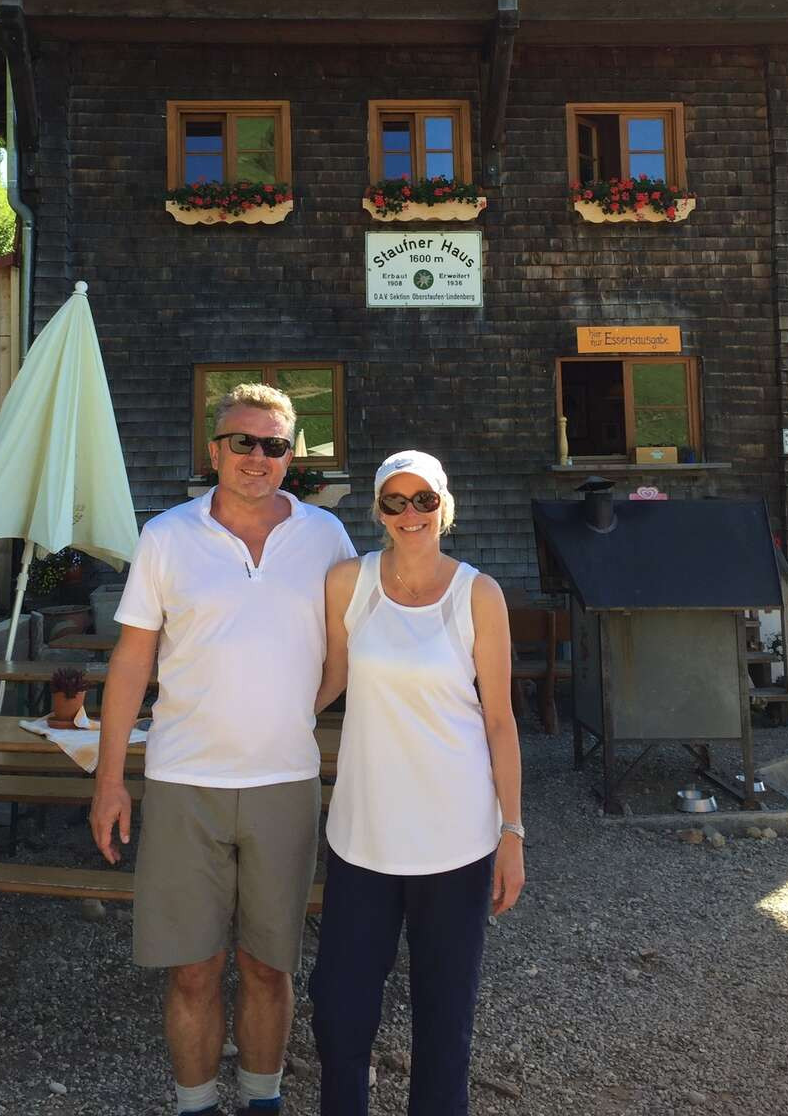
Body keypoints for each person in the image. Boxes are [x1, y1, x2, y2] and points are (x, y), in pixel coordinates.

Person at [90, 383, 356, 1116]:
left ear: (290, 455)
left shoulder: (326, 539)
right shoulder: (167, 536)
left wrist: (290, 713)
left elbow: (343, 654)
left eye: (274, 445)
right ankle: (195, 1103)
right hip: (183, 781)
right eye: (243, 442)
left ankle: (263, 1100)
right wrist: (110, 780)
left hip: (284, 782)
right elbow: (130, 664)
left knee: (269, 966)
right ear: (214, 451)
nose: (258, 457)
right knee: (193, 970)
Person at [310, 450, 525, 1116]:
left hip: (454, 842)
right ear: (378, 511)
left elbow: (499, 721)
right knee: (340, 1012)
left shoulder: (478, 594)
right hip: (363, 837)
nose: (410, 514)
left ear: (444, 506)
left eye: (423, 500)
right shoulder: (349, 584)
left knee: (444, 1020)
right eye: (395, 502)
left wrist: (512, 831)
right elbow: (328, 681)